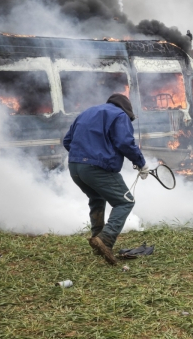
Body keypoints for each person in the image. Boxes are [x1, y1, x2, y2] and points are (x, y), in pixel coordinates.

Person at [63, 94, 149, 265]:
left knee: (96, 198)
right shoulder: (120, 115)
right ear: (127, 109)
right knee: (125, 202)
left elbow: (67, 141)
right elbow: (125, 142)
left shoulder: (86, 112)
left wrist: (82, 156)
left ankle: (97, 239)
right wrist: (141, 163)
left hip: (74, 167)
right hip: (96, 168)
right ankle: (106, 239)